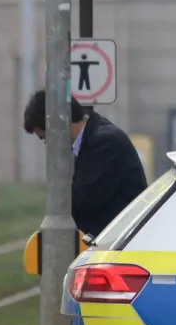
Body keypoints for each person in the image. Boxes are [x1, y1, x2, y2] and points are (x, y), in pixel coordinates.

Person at [22, 90, 148, 238]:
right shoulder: (91, 137)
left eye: (45, 137)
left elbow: (83, 201)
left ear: (59, 124)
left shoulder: (105, 143)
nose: (47, 144)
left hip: (122, 243)